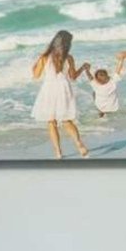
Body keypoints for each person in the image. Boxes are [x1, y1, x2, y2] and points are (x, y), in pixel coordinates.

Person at [31, 29, 89, 159]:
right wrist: (83, 68)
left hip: (49, 89)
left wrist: (34, 66)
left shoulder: (44, 57)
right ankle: (79, 144)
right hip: (63, 88)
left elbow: (36, 75)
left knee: (51, 122)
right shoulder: (69, 58)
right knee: (67, 120)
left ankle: (58, 152)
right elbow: (73, 76)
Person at [91, 50, 126, 117]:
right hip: (113, 108)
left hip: (100, 107)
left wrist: (86, 69)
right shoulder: (112, 82)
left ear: (96, 79)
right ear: (107, 76)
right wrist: (121, 59)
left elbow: (90, 77)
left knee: (94, 92)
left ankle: (101, 112)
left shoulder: (95, 84)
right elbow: (118, 70)